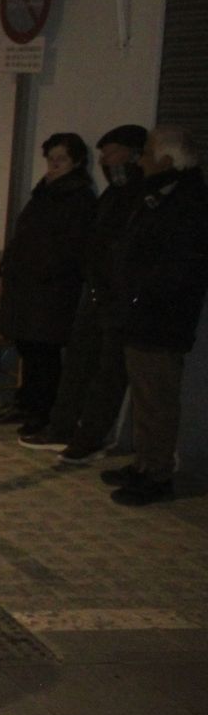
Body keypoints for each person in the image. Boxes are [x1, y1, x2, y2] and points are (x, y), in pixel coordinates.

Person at [20, 125, 148, 460]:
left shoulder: (139, 195)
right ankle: (61, 428)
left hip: (119, 297)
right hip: (95, 291)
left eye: (112, 152)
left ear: (134, 154)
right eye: (103, 153)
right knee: (78, 365)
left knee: (107, 373)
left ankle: (88, 436)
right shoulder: (112, 194)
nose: (106, 159)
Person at [101, 126, 208, 505]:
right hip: (142, 311)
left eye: (147, 152)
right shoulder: (161, 193)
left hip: (161, 317)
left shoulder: (187, 199)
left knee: (157, 399)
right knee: (145, 396)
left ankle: (158, 473)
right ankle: (144, 463)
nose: (141, 159)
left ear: (167, 158)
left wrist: (140, 293)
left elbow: (178, 266)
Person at [0, 133, 98, 436]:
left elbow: (69, 246)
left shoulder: (79, 197)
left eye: (61, 159)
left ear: (76, 161)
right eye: (51, 159)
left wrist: (42, 269)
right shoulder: (45, 192)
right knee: (28, 346)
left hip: (51, 288)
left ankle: (43, 410)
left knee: (45, 352)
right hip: (27, 284)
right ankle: (26, 401)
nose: (53, 165)